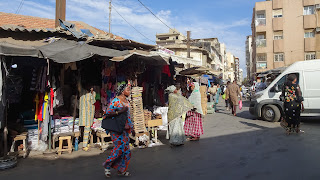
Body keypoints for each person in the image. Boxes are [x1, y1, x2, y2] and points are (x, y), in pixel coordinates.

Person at [102, 84, 134, 178]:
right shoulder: (115, 101)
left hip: (125, 129)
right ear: (122, 91)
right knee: (119, 149)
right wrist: (120, 111)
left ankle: (122, 170)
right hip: (116, 130)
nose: (130, 91)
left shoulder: (127, 101)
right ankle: (107, 166)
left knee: (127, 151)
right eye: (128, 90)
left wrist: (131, 127)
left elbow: (128, 115)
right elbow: (107, 114)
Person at [79, 85, 96, 152]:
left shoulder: (82, 94)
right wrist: (92, 93)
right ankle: (84, 145)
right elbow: (93, 101)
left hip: (84, 115)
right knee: (87, 130)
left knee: (86, 130)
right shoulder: (90, 95)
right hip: (88, 115)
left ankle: (86, 143)